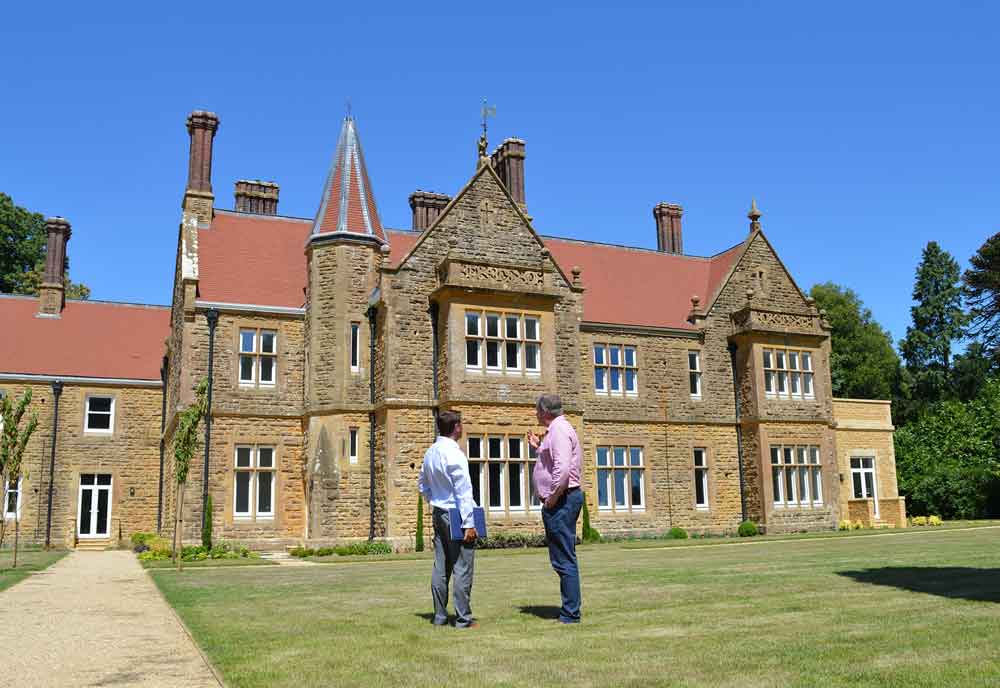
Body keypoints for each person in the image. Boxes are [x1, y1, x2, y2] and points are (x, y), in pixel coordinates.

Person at [417, 410, 479, 629]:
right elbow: (464, 491)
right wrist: (469, 523)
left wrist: (435, 500)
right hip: (456, 513)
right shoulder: (455, 454)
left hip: (439, 511)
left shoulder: (430, 452)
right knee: (463, 566)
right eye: (461, 424)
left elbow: (422, 485)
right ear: (456, 428)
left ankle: (440, 617)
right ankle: (463, 619)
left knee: (440, 566)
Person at [527, 393, 583, 624]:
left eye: (538, 411)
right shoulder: (558, 430)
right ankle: (570, 609)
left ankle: (570, 613)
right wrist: (539, 448)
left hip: (562, 499)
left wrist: (551, 498)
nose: (536, 414)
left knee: (564, 558)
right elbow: (553, 462)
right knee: (562, 557)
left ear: (546, 412)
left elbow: (562, 469)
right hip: (562, 498)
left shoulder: (559, 430)